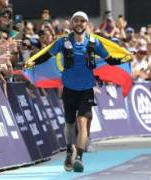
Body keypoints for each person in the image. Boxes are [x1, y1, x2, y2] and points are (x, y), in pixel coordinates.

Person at [26, 11, 124, 172]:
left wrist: (124, 58)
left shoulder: (94, 43)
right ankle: (69, 150)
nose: (79, 24)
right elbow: (46, 56)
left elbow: (110, 60)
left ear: (86, 24)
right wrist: (32, 63)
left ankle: (79, 157)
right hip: (69, 89)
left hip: (86, 90)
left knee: (83, 122)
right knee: (70, 125)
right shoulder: (63, 42)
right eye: (76, 21)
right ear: (72, 23)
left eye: (83, 21)